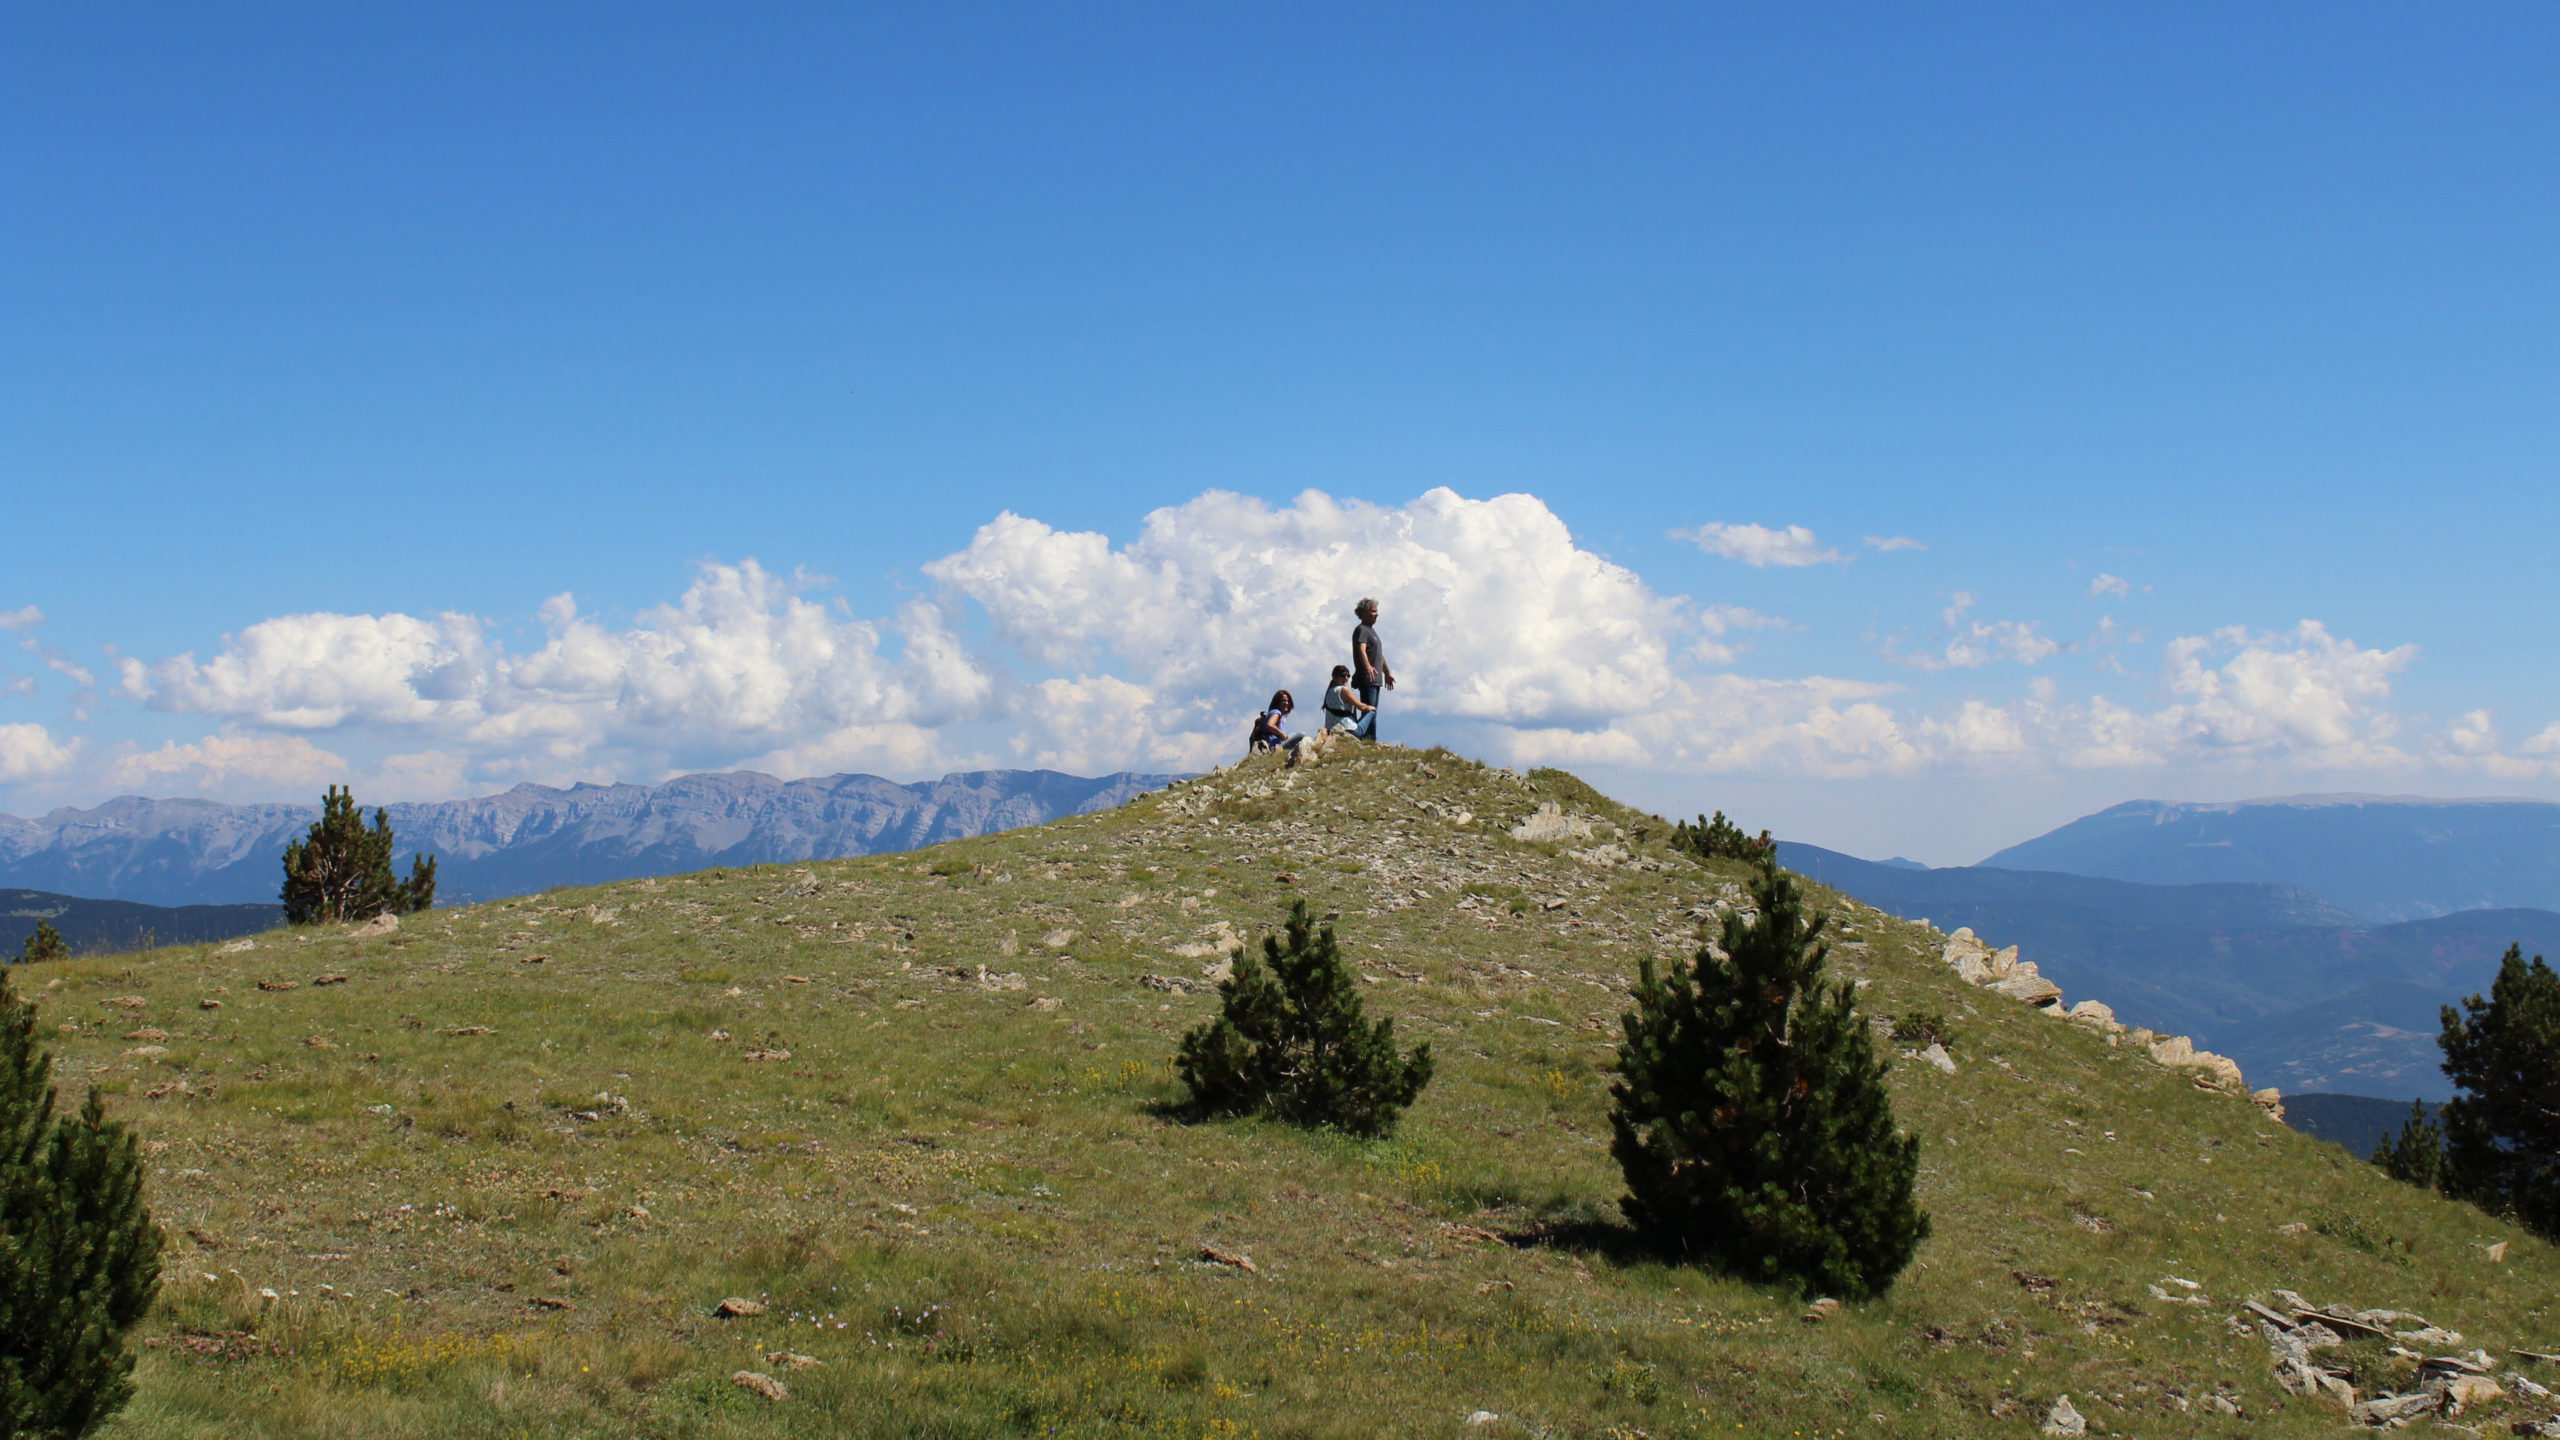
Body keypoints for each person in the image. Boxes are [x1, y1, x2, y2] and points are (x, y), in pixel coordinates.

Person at [1351, 598, 1395, 741]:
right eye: (1373, 611)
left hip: (1375, 679)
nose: (1377, 614)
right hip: (1368, 678)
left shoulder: (1371, 631)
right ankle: (1368, 738)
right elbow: (1361, 648)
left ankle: (1368, 738)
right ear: (1364, 613)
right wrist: (1368, 666)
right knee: (1370, 710)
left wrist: (1387, 673)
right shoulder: (1362, 629)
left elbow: (1379, 656)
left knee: (1372, 710)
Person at [1321, 664, 1375, 739]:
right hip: (1348, 730)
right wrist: (1371, 707)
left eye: (1348, 676)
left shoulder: (1329, 692)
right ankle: (1370, 738)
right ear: (1335, 677)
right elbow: (1361, 707)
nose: (1346, 678)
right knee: (1372, 713)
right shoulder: (1344, 690)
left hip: (1331, 730)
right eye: (1342, 675)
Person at [1248, 690, 1296, 755]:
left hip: (1274, 745)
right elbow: (1270, 725)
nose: (1287, 703)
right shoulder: (1276, 712)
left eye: (1288, 701)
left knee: (1293, 735)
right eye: (1284, 701)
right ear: (1278, 702)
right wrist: (1282, 734)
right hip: (1274, 747)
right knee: (1301, 735)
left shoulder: (1274, 714)